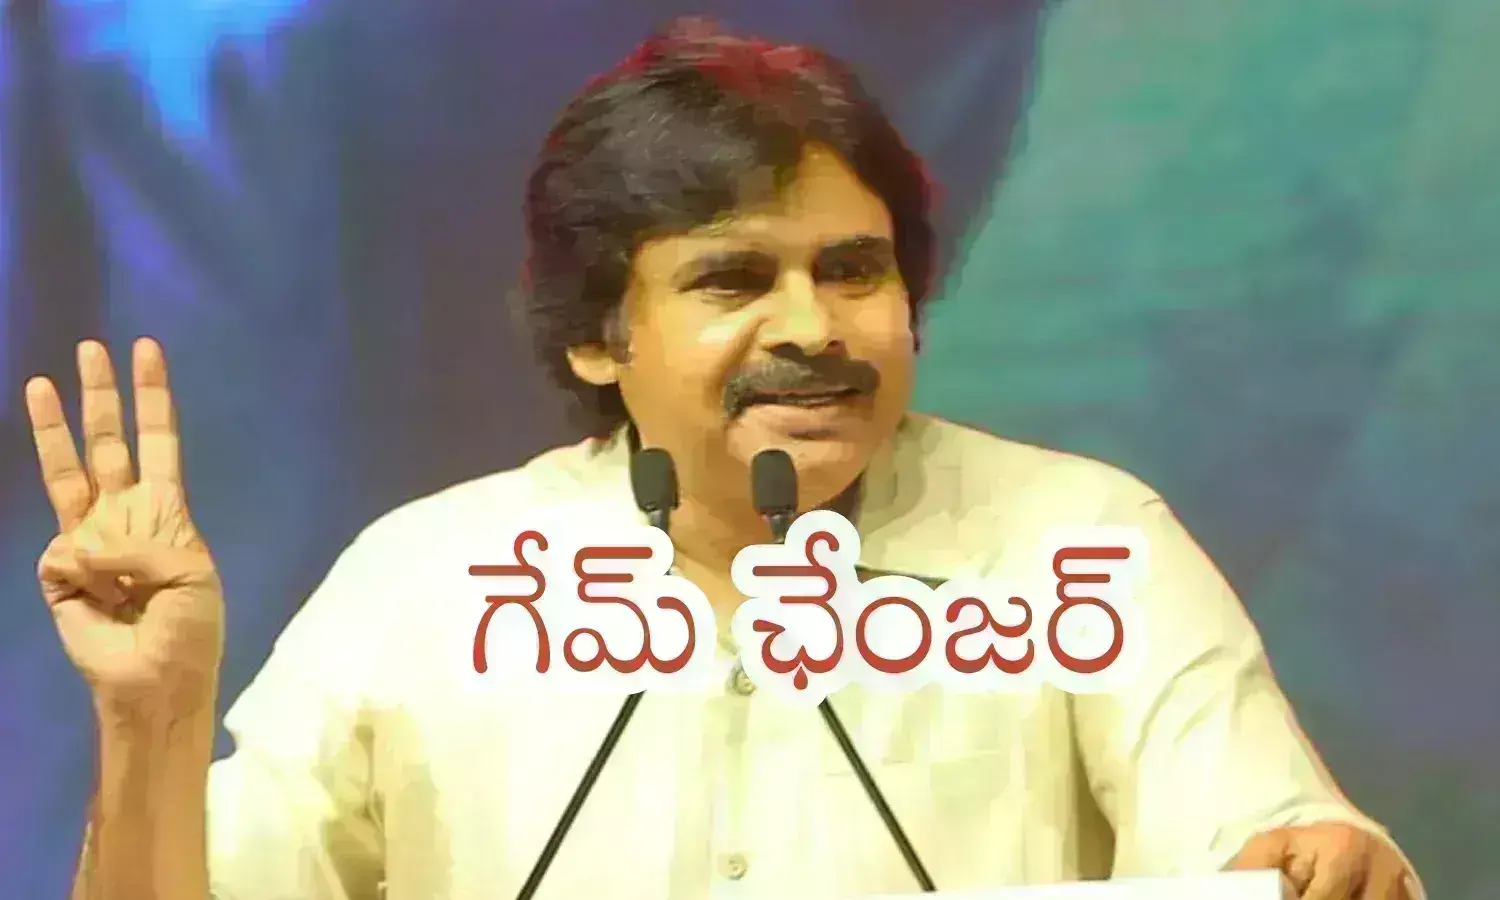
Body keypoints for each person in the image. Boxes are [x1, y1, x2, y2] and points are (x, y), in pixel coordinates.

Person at [26, 19, 1422, 900]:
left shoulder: (1080, 544)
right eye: (735, 279)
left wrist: (1323, 859)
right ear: (599, 339)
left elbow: (1264, 837)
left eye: (856, 271)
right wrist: (152, 722)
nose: (813, 328)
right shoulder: (423, 586)